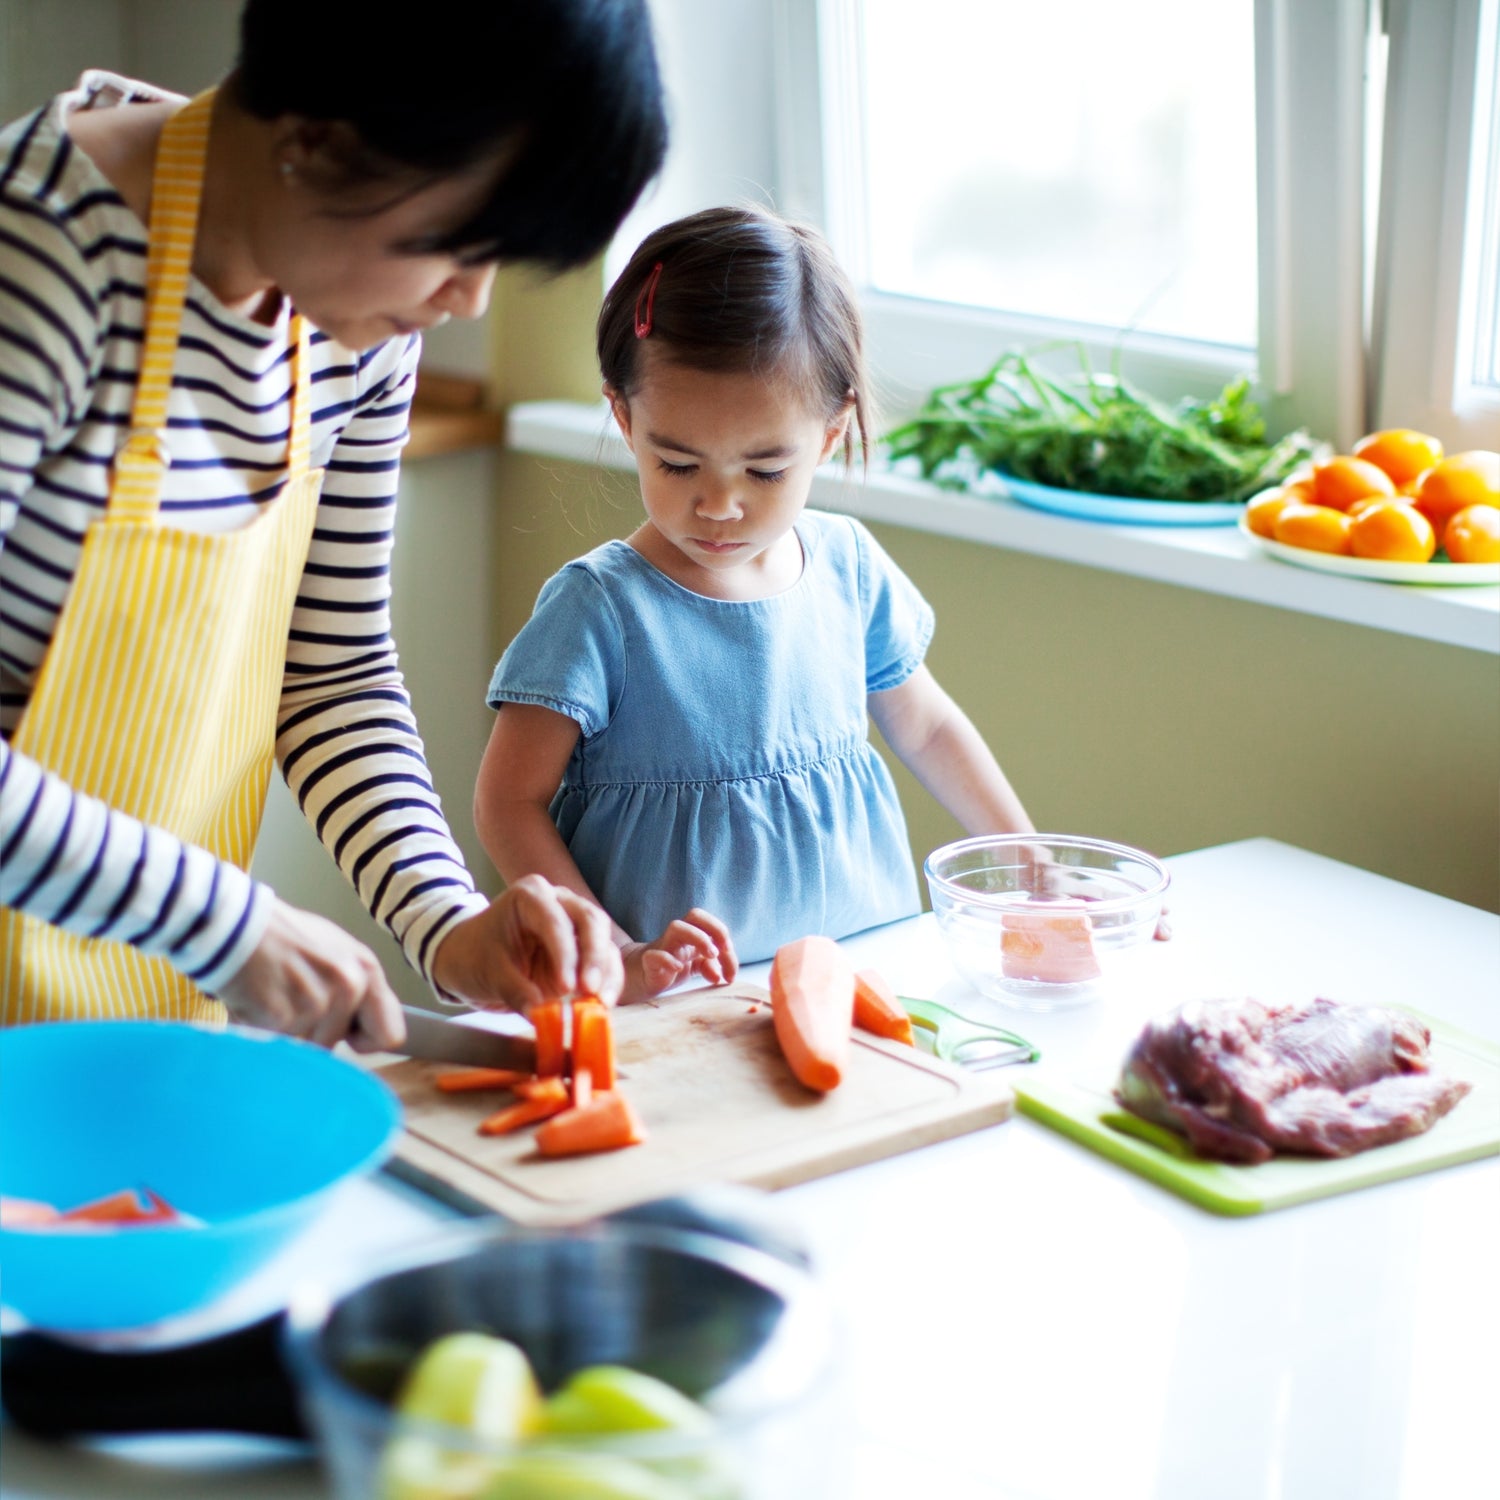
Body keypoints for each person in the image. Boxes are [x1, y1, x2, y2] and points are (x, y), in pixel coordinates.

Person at [0, 0, 670, 1043]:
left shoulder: (352, 323)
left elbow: (333, 668)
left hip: (130, 1014)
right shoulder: (40, 256)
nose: (473, 300)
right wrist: (224, 924)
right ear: (312, 141)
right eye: (455, 242)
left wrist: (450, 926)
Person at [475, 206, 1036, 1004]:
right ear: (625, 418)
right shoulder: (598, 606)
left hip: (862, 976)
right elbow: (507, 800)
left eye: (766, 470)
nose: (719, 506)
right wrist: (613, 955)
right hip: (673, 998)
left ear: (832, 434)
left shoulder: (848, 566)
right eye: (676, 463)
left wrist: (1026, 859)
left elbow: (929, 725)